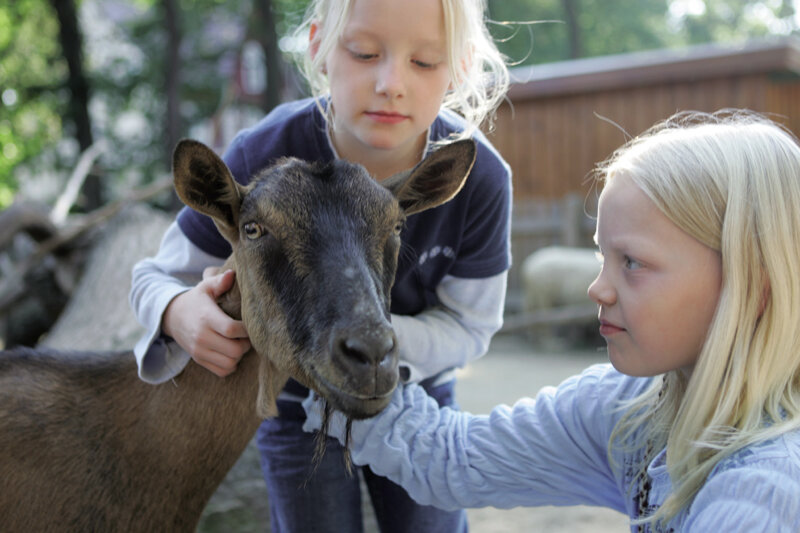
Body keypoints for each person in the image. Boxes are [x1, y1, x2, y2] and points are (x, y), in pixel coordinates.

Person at [303, 110, 800, 532]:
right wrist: (310, 337)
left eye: (632, 262)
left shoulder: (763, 495)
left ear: (751, 286)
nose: (596, 288)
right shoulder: (633, 410)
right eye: (601, 256)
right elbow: (455, 458)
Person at [128, 0, 512, 531]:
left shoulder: (479, 178)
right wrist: (177, 312)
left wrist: (370, 336)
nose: (391, 82)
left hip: (415, 391)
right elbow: (153, 276)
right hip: (293, 403)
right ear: (318, 47)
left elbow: (473, 323)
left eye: (424, 62)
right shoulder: (261, 152)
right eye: (364, 52)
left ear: (462, 65)